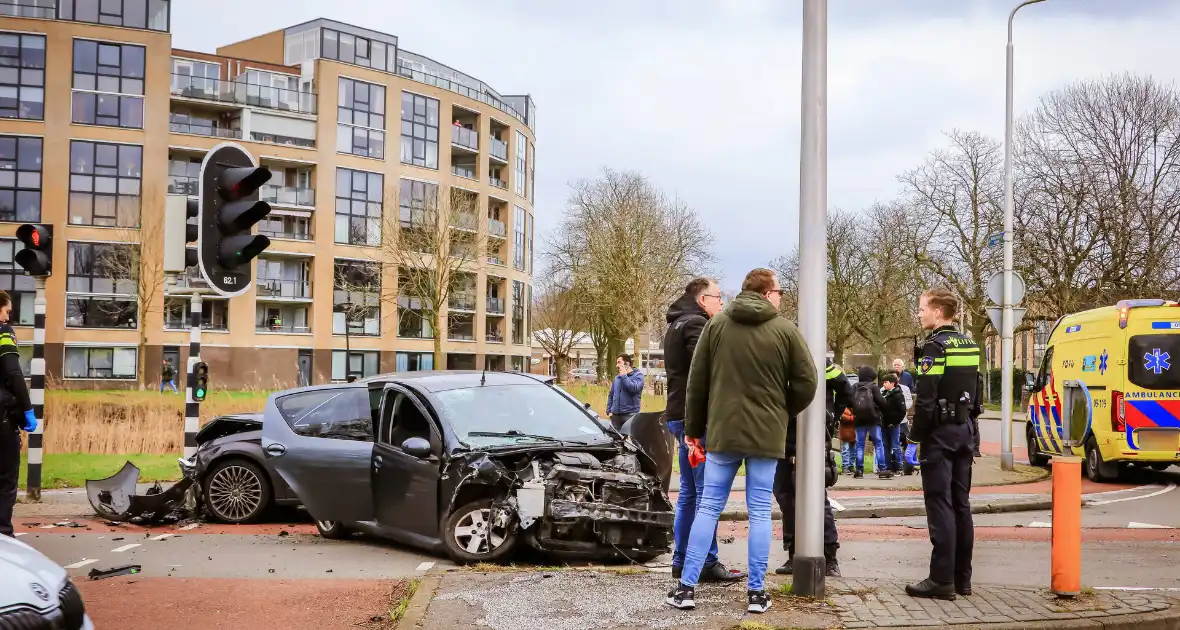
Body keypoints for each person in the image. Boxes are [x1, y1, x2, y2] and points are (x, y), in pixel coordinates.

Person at [666, 268, 817, 615]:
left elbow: (697, 382)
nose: (780, 297)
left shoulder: (716, 325)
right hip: (766, 434)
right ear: (767, 293)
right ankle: (757, 593)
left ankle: (686, 589)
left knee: (708, 506)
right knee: (761, 511)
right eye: (778, 291)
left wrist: (694, 428)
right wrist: (782, 410)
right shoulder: (785, 330)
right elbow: (807, 382)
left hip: (723, 433)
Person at [662, 277, 743, 583]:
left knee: (688, 494)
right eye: (718, 297)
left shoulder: (677, 324)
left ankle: (682, 559)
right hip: (693, 420)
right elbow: (707, 369)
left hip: (677, 415)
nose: (722, 303)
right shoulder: (697, 325)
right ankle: (706, 561)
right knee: (705, 495)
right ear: (702, 300)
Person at [905, 287, 982, 600]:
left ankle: (941, 581)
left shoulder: (935, 347)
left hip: (939, 436)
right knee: (961, 506)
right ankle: (962, 579)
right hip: (964, 431)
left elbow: (925, 400)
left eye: (922, 307)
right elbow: (976, 393)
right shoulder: (970, 345)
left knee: (941, 507)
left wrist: (914, 438)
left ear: (938, 311)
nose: (919, 313)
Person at [773, 357, 850, 577]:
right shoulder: (781, 361)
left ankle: (829, 555)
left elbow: (846, 390)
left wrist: (830, 417)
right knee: (786, 498)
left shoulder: (819, 362)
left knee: (815, 499)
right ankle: (794, 554)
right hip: (783, 439)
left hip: (811, 439)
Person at [0, 291, 36, 538]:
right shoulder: (3, 332)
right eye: (7, 311)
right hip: (1, 418)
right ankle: (3, 536)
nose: (8, 317)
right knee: (5, 480)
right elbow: (13, 373)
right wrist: (27, 410)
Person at [851, 366, 891, 479]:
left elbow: (850, 402)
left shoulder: (854, 387)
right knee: (878, 444)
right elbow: (882, 403)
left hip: (859, 419)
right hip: (873, 419)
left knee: (859, 445)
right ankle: (882, 469)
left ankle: (859, 470)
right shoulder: (873, 387)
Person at [606, 353, 644, 430]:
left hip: (630, 415)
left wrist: (624, 376)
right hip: (615, 416)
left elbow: (634, 389)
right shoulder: (617, 378)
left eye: (619, 362)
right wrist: (609, 409)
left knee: (634, 440)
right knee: (616, 440)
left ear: (627, 364)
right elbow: (611, 395)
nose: (617, 365)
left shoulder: (638, 376)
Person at [880, 374, 907, 474]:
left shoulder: (898, 395)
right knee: (885, 446)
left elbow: (902, 411)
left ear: (892, 383)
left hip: (893, 424)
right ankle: (888, 467)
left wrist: (895, 422)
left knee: (895, 446)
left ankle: (900, 468)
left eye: (886, 382)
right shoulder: (884, 393)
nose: (884, 384)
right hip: (884, 424)